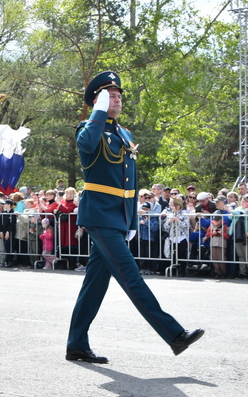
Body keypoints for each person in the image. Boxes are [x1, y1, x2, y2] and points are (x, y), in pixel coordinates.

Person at [66, 72, 204, 363]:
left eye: (117, 96)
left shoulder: (124, 134)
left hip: (118, 218)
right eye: (109, 96)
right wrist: (97, 112)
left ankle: (76, 343)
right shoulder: (89, 128)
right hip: (100, 216)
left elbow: (130, 182)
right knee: (131, 276)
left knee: (94, 285)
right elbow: (87, 147)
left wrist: (130, 223)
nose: (116, 99)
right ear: (98, 101)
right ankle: (174, 335)